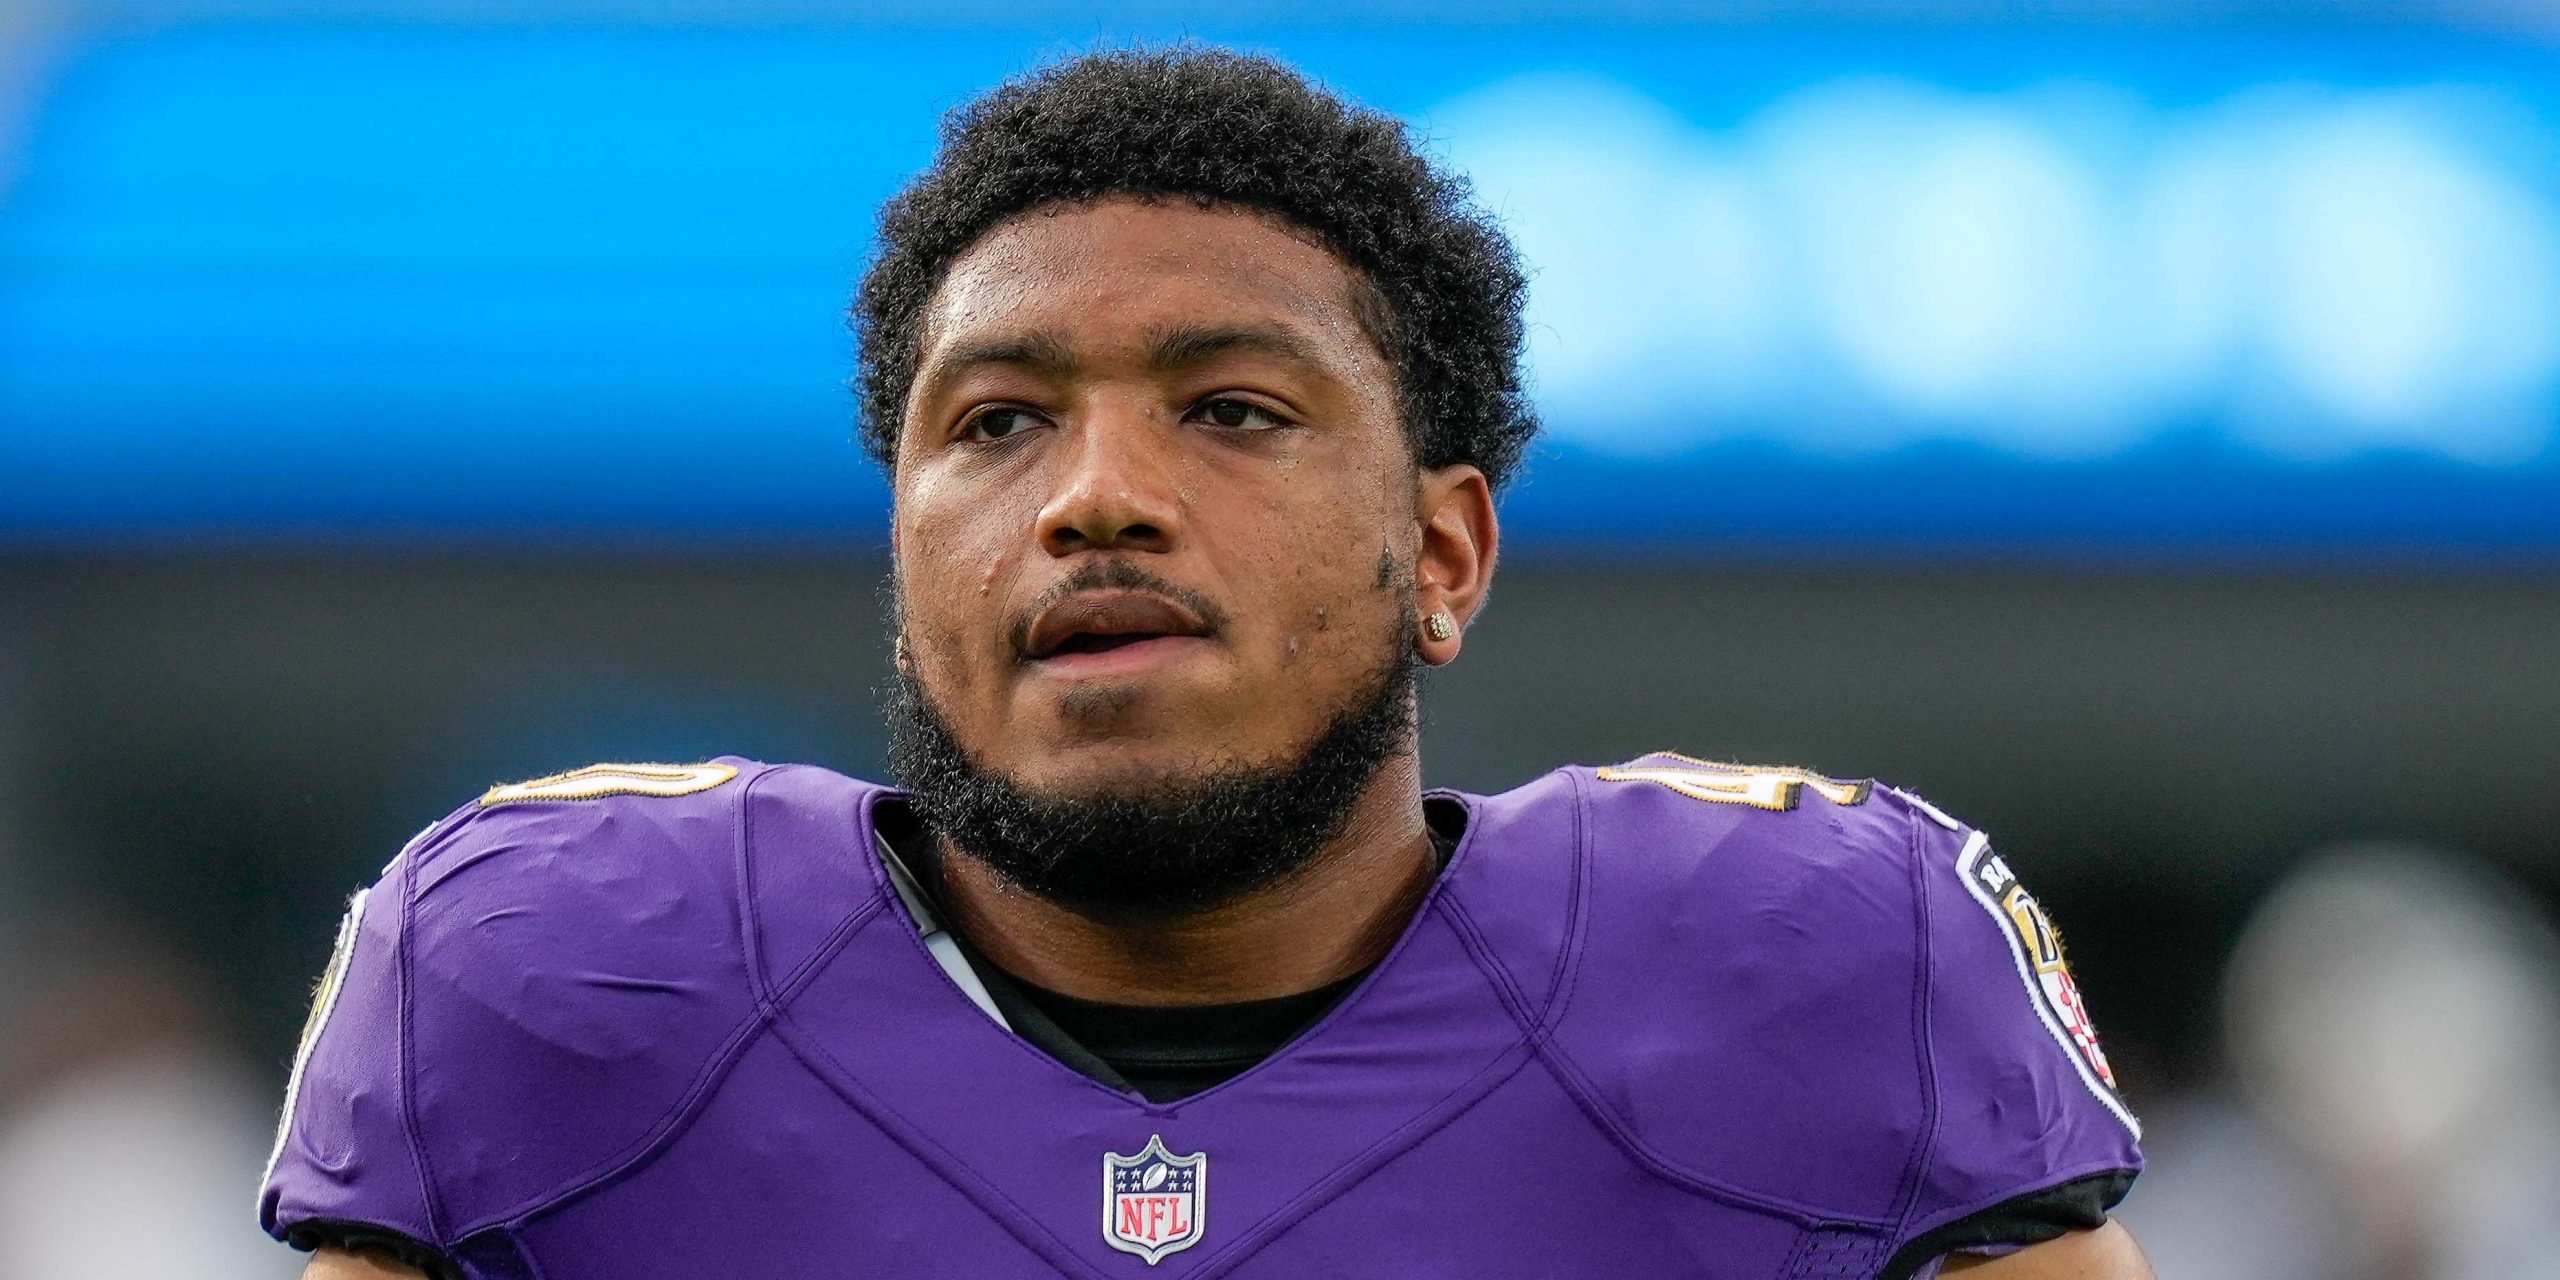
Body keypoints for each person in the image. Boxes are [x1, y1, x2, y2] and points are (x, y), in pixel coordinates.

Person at [259, 48, 2149, 1279]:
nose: (1096, 499)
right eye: (995, 423)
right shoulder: (554, 976)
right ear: (902, 542)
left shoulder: (1815, 963)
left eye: (1232, 410)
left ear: (1442, 548)